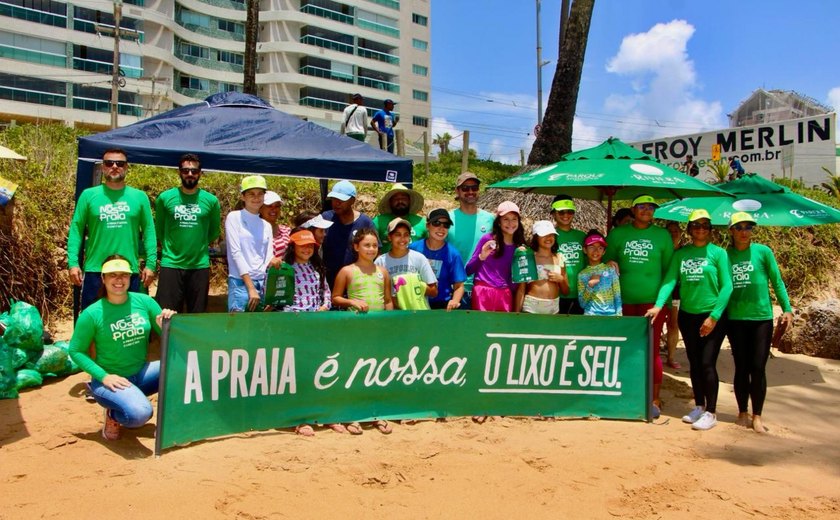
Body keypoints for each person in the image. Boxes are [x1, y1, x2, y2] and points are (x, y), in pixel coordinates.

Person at [68, 255, 176, 440]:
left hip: (140, 373)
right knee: (140, 414)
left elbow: (172, 337)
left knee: (179, 368)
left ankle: (172, 423)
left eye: (123, 275)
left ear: (130, 278)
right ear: (103, 279)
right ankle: (113, 415)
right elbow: (75, 351)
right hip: (109, 382)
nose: (119, 280)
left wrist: (169, 322)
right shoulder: (92, 313)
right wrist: (104, 376)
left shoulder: (144, 302)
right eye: (112, 275)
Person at [646, 209, 733, 431]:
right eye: (696, 225)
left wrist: (713, 317)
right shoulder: (681, 254)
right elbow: (670, 280)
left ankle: (711, 412)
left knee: (706, 363)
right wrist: (658, 304)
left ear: (711, 230)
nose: (700, 229)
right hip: (688, 315)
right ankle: (699, 406)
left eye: (705, 225)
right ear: (690, 229)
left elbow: (727, 287)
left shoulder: (718, 253)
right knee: (694, 363)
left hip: (712, 315)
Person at [605, 194, 673, 415]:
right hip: (621, 302)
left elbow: (669, 274)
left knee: (651, 350)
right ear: (633, 210)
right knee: (625, 349)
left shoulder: (662, 236)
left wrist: (663, 304)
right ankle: (626, 392)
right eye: (641, 206)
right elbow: (605, 262)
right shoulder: (617, 234)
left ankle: (654, 399)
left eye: (651, 207)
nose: (646, 210)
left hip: (652, 304)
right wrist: (608, 261)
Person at [725, 212, 793, 434]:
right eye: (739, 227)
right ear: (731, 231)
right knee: (741, 367)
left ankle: (757, 416)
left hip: (761, 319)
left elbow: (777, 281)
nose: (744, 232)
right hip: (735, 319)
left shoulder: (763, 252)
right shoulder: (725, 256)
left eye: (748, 227)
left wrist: (787, 309)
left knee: (758, 367)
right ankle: (742, 412)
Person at [68, 148, 157, 311]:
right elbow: (76, 230)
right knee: (93, 324)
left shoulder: (139, 197)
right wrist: (73, 263)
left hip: (128, 271)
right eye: (109, 163)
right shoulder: (88, 195)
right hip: (96, 271)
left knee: (129, 324)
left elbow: (149, 232)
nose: (114, 166)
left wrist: (151, 265)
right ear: (103, 167)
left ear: (127, 167)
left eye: (120, 163)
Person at [331, 228, 393, 435]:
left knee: (376, 373)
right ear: (356, 247)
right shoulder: (347, 271)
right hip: (354, 331)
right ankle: (352, 415)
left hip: (377, 332)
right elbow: (336, 297)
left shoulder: (382, 272)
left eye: (374, 245)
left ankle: (376, 415)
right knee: (354, 373)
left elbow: (387, 301)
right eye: (366, 245)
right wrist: (352, 301)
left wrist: (390, 322)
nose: (371, 249)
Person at [281, 230, 343, 436]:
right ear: (293, 247)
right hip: (296, 326)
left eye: (310, 246)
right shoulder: (284, 268)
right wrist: (299, 317)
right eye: (302, 246)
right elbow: (279, 299)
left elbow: (325, 291)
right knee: (300, 373)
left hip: (318, 324)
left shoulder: (317, 267)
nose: (307, 249)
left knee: (322, 370)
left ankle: (326, 415)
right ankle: (300, 419)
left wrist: (324, 307)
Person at [154, 153, 221, 313]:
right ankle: (168, 340)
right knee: (166, 315)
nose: (190, 174)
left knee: (196, 316)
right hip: (171, 264)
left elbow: (213, 231)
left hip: (199, 265)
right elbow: (160, 229)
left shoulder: (211, 201)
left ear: (200, 173)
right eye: (185, 170)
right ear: (179, 172)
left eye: (194, 171)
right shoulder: (165, 198)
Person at [225, 175, 281, 312]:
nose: (256, 198)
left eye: (260, 194)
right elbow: (236, 253)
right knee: (239, 328)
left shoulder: (266, 225)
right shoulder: (234, 217)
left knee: (258, 329)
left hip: (262, 283)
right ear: (243, 197)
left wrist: (275, 262)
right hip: (240, 283)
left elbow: (268, 257)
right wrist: (250, 288)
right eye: (251, 194)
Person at [448, 172, 496, 309]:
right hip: (456, 289)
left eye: (474, 187)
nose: (470, 192)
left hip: (484, 287)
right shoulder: (447, 219)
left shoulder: (490, 219)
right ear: (457, 191)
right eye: (465, 188)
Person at [466, 201, 525, 312]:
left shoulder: (519, 247)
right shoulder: (487, 239)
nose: (510, 223)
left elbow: (516, 282)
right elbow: (468, 270)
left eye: (514, 219)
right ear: (499, 222)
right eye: (505, 219)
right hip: (483, 291)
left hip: (505, 294)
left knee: (500, 329)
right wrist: (481, 256)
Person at [410, 208, 467, 311]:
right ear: (427, 226)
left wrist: (455, 301)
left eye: (446, 225)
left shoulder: (453, 254)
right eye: (436, 223)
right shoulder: (412, 249)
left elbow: (459, 285)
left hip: (441, 306)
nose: (441, 228)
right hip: (415, 304)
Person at [321, 180, 375, 288]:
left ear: (352, 201)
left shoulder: (365, 222)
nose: (337, 203)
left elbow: (375, 251)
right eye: (334, 199)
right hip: (328, 281)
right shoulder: (325, 218)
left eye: (341, 200)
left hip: (357, 281)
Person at [375, 218, 437, 310]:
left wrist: (413, 284)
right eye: (397, 235)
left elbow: (434, 291)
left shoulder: (419, 258)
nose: (402, 239)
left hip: (417, 315)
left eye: (406, 235)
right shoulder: (380, 262)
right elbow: (377, 292)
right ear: (389, 237)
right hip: (394, 315)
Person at [514, 220, 568, 314]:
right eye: (544, 235)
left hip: (554, 309)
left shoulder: (559, 258)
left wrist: (561, 280)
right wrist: (516, 314)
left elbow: (566, 291)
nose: (548, 238)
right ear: (536, 237)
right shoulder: (528, 258)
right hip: (531, 307)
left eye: (551, 234)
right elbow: (521, 289)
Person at [551, 196, 586, 314]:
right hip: (556, 293)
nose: (565, 215)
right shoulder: (549, 236)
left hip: (581, 293)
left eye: (569, 211)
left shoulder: (582, 236)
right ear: (553, 214)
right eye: (561, 212)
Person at [371, 183, 426, 254]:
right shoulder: (378, 221)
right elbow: (370, 245)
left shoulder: (421, 222)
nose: (400, 201)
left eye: (404, 198)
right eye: (396, 199)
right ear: (390, 202)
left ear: (409, 201)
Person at [577, 231, 622, 316]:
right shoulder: (582, 275)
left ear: (604, 251)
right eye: (591, 247)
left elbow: (617, 295)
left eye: (600, 248)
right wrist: (590, 285)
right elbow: (582, 304)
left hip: (611, 315)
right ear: (584, 250)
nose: (596, 251)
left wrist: (619, 314)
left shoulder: (611, 270)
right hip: (591, 316)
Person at [663, 221, 684, 369]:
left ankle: (670, 357)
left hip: (677, 292)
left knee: (673, 323)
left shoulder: (684, 251)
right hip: (659, 291)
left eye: (676, 230)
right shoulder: (662, 249)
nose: (673, 233)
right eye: (670, 231)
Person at [259, 190, 291, 259]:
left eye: (277, 206)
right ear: (260, 209)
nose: (273, 209)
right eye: (269, 206)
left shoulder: (287, 231)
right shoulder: (253, 231)